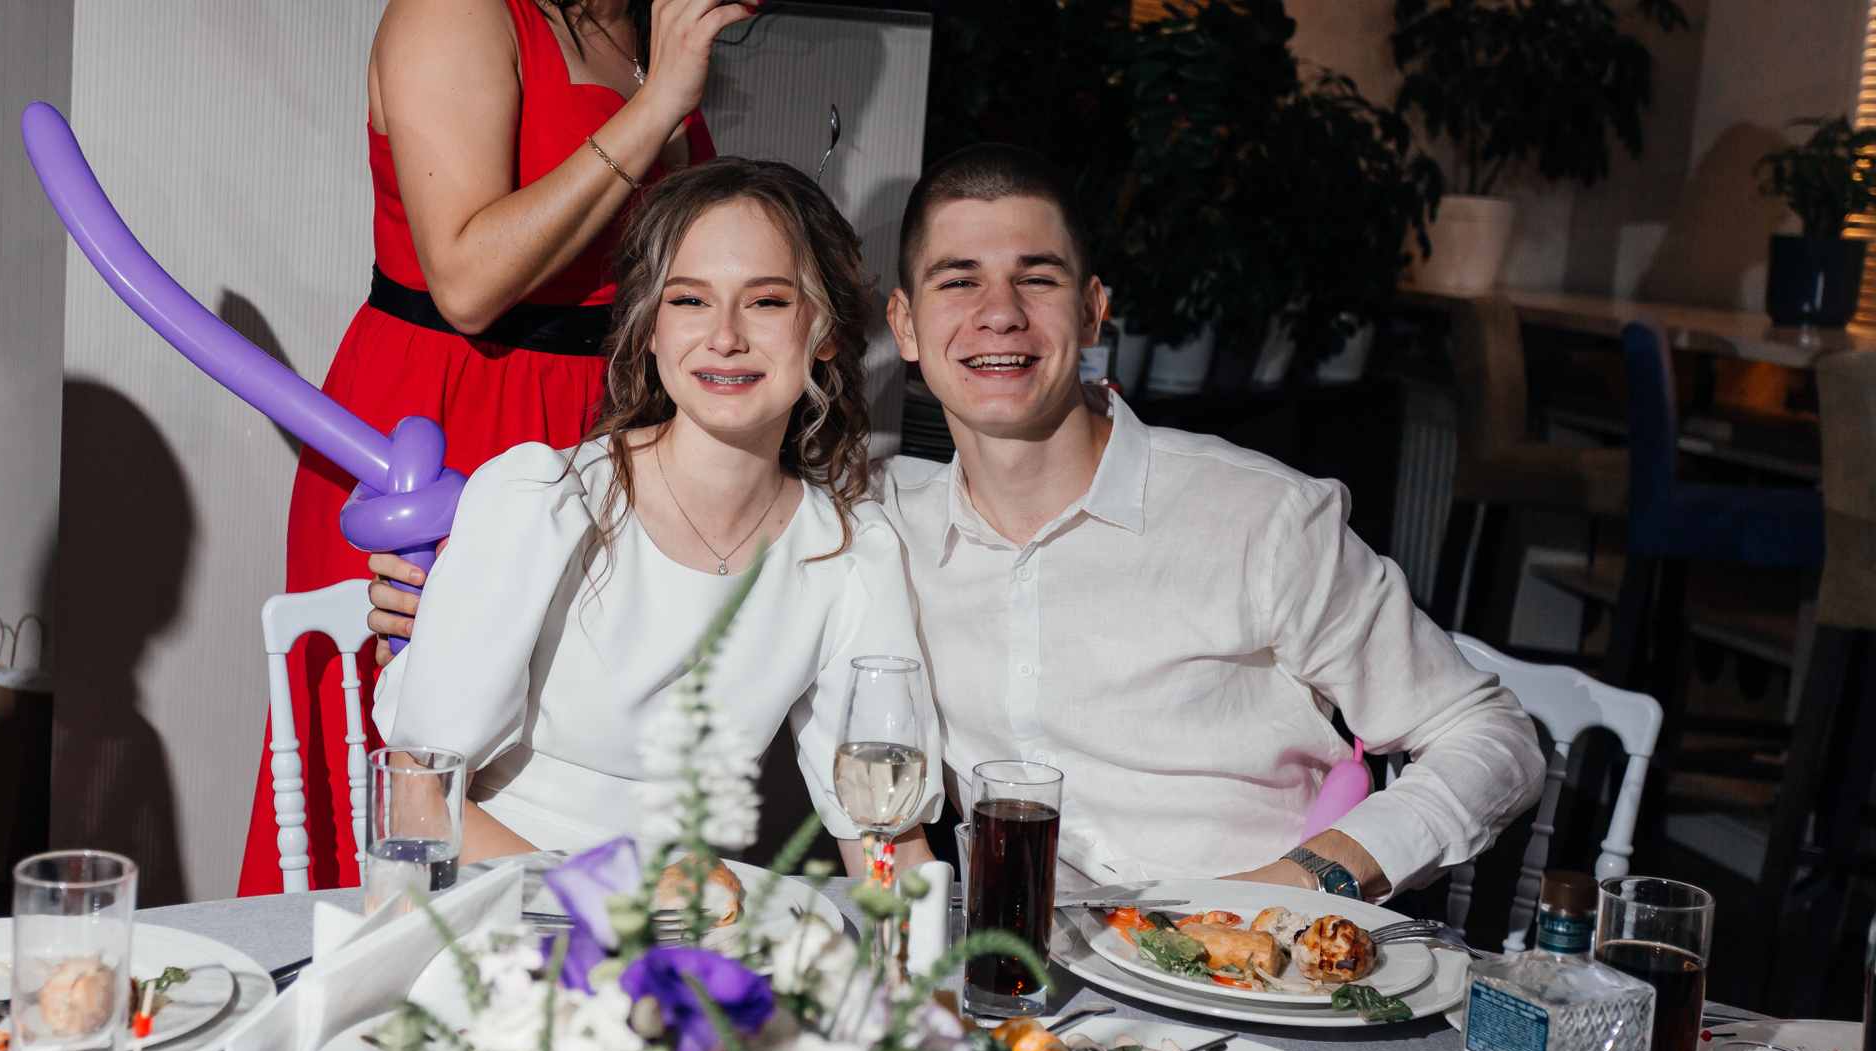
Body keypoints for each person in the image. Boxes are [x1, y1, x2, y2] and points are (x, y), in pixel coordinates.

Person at [875, 144, 1544, 902]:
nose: (1000, 313)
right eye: (959, 280)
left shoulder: (1260, 517)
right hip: (1028, 958)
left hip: (1256, 953)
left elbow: (1490, 734)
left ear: (1092, 312)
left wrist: (1301, 882)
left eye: (1037, 278)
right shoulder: (887, 527)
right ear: (905, 325)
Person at [238, 0, 751, 893]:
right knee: (411, 763)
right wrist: (659, 102)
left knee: (570, 742)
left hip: (603, 421)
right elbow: (467, 282)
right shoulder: (456, 13)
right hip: (447, 421)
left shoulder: (639, 27)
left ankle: (596, 955)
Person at [367, 158, 942, 868]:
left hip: (691, 916)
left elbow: (882, 834)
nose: (725, 335)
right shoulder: (545, 501)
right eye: (690, 300)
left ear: (823, 331)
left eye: (766, 301)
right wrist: (605, 904)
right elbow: (414, 795)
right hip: (499, 893)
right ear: (650, 329)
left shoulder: (848, 554)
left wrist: (918, 941)